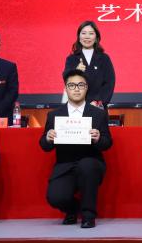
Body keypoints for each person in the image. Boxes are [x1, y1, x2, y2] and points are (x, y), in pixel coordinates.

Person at [40, 69, 112, 228]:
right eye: (72, 85)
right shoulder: (54, 115)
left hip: (91, 162)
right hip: (65, 164)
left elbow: (107, 143)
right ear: (66, 88)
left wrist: (98, 138)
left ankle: (88, 215)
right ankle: (72, 210)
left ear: (87, 88)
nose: (76, 89)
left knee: (87, 165)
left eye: (81, 85)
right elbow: (44, 145)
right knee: (55, 198)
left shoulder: (98, 114)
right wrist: (48, 138)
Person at [63, 21, 115, 110]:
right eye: (83, 33)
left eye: (91, 33)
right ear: (79, 37)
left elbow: (109, 83)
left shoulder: (104, 58)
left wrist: (98, 102)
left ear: (96, 38)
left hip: (98, 107)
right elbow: (66, 78)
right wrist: (76, 71)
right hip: (77, 106)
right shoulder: (72, 58)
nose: (87, 36)